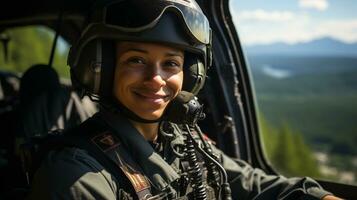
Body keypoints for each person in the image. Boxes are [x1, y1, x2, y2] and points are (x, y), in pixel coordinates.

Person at [27, 0, 342, 199]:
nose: (156, 79)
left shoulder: (180, 138)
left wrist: (317, 196)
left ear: (191, 75)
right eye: (136, 60)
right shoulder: (75, 177)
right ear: (102, 69)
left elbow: (249, 182)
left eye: (171, 64)